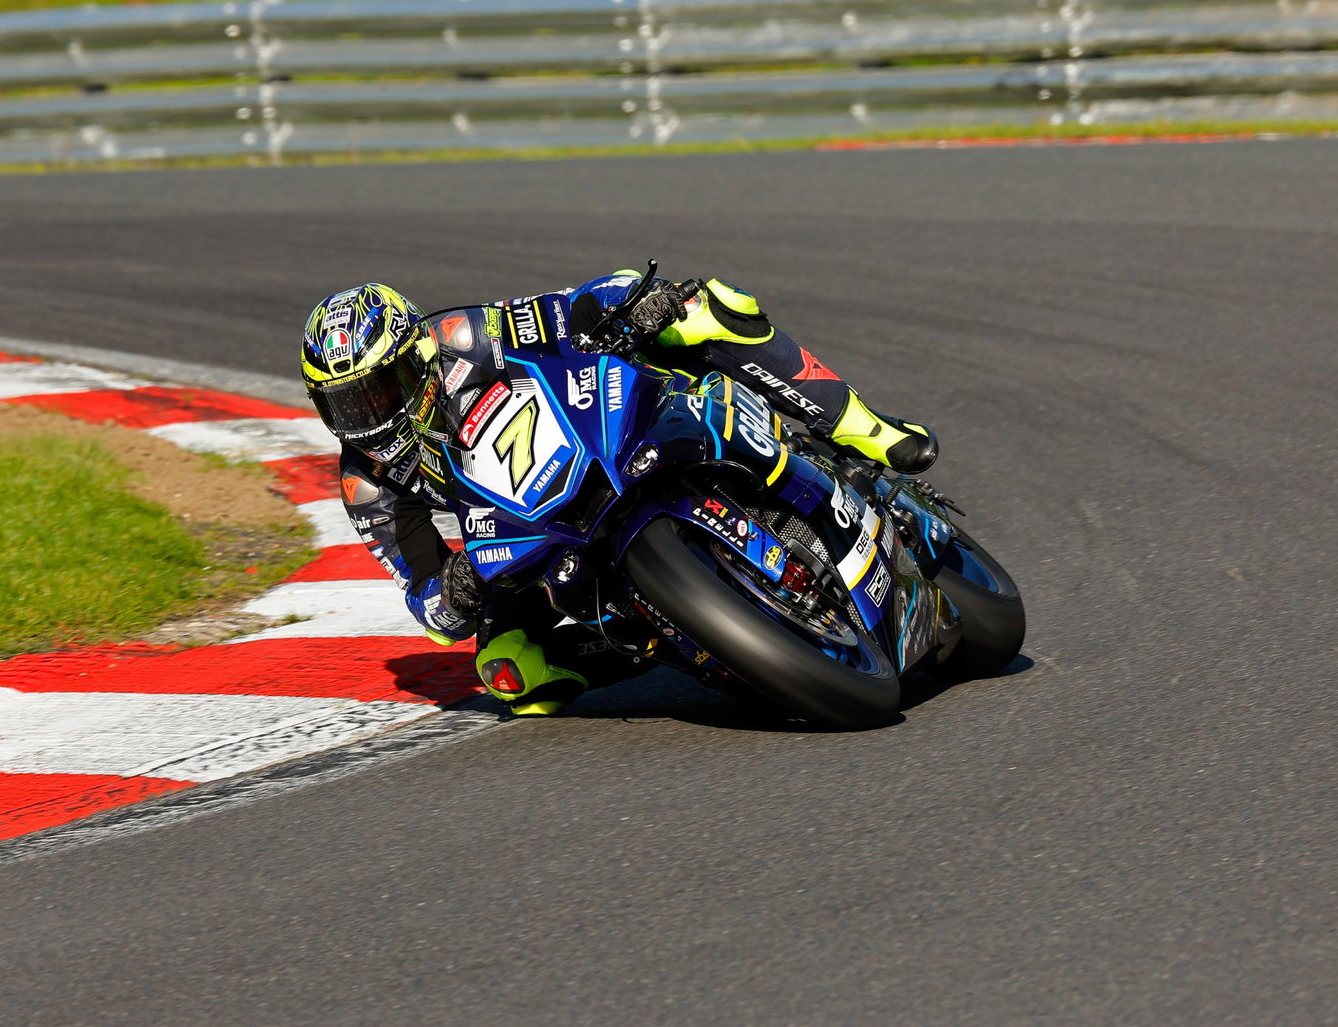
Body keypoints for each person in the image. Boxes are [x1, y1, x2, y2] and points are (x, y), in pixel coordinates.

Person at [300, 272, 937, 716]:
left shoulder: (463, 336)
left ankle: (866, 429)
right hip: (526, 531)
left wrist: (630, 303)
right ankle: (668, 636)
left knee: (704, 309)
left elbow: (564, 309)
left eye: (380, 390)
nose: (368, 416)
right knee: (510, 673)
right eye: (345, 405)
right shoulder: (368, 483)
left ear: (415, 355)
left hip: (600, 432)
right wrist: (456, 588)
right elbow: (429, 603)